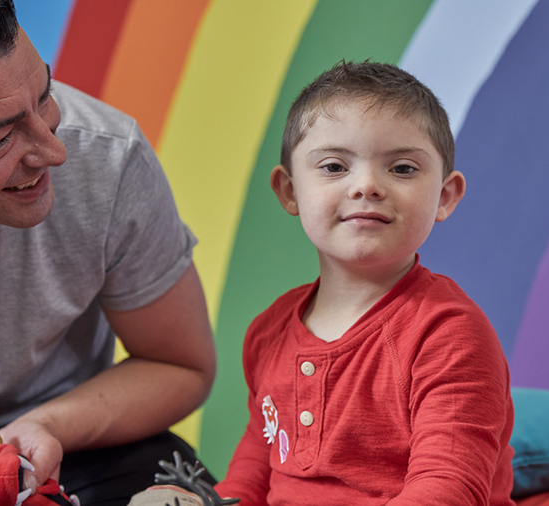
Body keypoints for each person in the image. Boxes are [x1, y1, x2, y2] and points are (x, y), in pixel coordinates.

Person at [0, 2, 217, 506]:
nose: (55, 152)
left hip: (71, 439)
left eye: (45, 96)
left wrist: (46, 425)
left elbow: (180, 365)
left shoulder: (107, 155)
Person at [213, 61, 514, 505]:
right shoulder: (268, 332)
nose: (368, 186)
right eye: (334, 166)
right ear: (290, 191)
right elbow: (257, 464)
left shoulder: (450, 334)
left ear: (444, 197)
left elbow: (447, 490)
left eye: (404, 169)